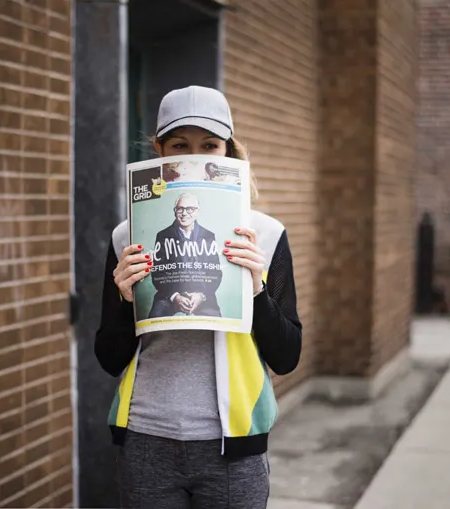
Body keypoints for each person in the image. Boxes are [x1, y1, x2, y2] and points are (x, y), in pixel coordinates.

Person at [94, 85, 302, 509]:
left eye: (209, 145)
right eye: (179, 145)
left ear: (228, 150)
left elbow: (287, 355)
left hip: (233, 445)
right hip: (146, 437)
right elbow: (109, 357)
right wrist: (123, 299)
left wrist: (255, 287)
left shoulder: (265, 234)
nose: (195, 156)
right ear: (160, 151)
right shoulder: (126, 236)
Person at [148, 193, 223, 318]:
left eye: (190, 209)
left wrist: (200, 295)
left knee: (217, 321)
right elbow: (158, 273)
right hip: (169, 294)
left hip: (201, 295)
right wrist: (175, 296)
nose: (184, 213)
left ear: (197, 212)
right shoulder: (163, 235)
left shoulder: (208, 236)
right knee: (155, 318)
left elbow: (215, 273)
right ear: (174, 211)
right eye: (180, 209)